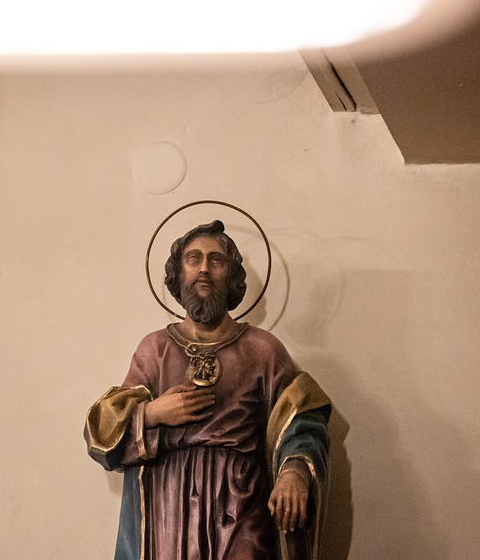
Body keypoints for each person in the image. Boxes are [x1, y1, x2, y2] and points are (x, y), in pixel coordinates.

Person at [84, 220, 330, 560]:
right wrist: (152, 413)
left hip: (242, 507)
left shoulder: (262, 350)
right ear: (178, 273)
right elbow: (101, 432)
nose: (203, 268)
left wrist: (294, 472)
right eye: (193, 259)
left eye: (216, 260)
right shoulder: (155, 350)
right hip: (169, 510)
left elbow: (303, 420)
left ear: (231, 275)